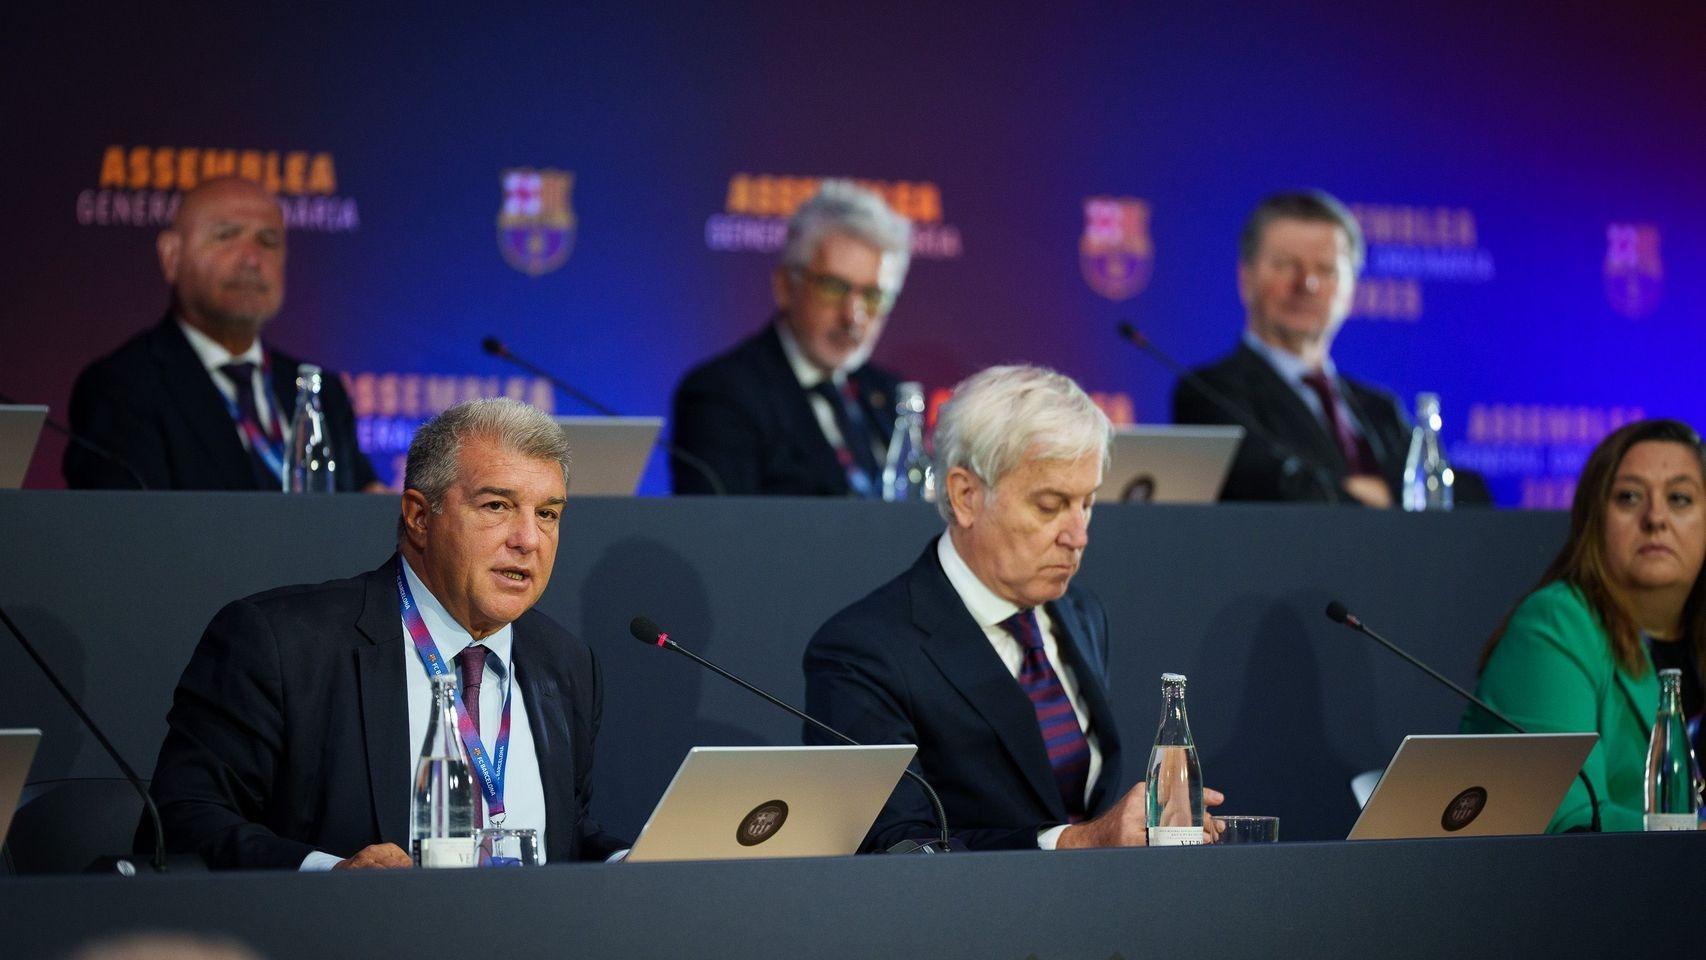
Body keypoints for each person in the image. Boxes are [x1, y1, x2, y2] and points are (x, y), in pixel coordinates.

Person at [145, 398, 626, 868]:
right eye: (498, 505)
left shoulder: (565, 663)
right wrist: (330, 874)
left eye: (547, 514)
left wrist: (628, 860)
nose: (528, 540)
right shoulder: (282, 643)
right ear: (419, 516)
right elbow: (184, 821)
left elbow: (559, 832)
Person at [803, 365, 1221, 851]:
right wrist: (1077, 843)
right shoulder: (864, 651)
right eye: (1049, 505)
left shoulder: (1082, 614)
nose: (1077, 535)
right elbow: (897, 848)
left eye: (1086, 503)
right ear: (965, 496)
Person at [64, 176, 380, 491]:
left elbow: (360, 504)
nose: (252, 259)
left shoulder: (322, 391)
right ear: (171, 255)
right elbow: (127, 531)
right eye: (227, 236)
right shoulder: (122, 388)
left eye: (268, 241)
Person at [1465, 419, 1706, 831]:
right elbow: (1573, 825)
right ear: (1594, 520)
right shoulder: (1553, 627)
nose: (1655, 518)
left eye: (1680, 498)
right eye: (1629, 497)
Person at [672, 181, 911, 496]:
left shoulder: (889, 393)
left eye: (873, 296)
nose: (853, 316)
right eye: (834, 287)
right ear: (785, 286)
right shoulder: (722, 395)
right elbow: (720, 536)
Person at [1171, 190, 1409, 506]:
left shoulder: (1380, 408)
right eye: (1285, 265)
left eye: (1325, 269)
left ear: (1351, 289)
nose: (1306, 284)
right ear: (1246, 279)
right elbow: (1279, 490)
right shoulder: (1209, 394)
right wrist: (1386, 497)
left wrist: (1384, 494)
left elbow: (1458, 493)